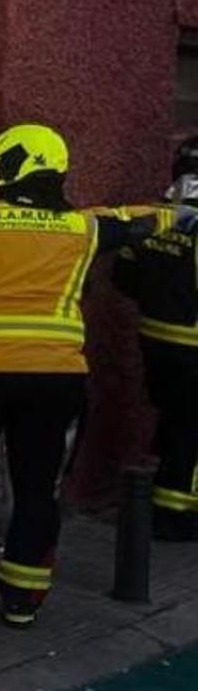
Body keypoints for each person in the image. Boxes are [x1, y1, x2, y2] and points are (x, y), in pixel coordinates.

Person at [0, 123, 192, 627]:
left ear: (13, 170)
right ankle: (22, 600)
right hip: (55, 381)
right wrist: (178, 219)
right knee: (39, 487)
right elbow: (132, 224)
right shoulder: (83, 230)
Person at [114, 137, 198, 543]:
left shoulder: (155, 219)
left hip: (154, 339)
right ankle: (176, 514)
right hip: (193, 347)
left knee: (175, 421)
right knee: (191, 433)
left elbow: (123, 277)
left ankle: (160, 496)